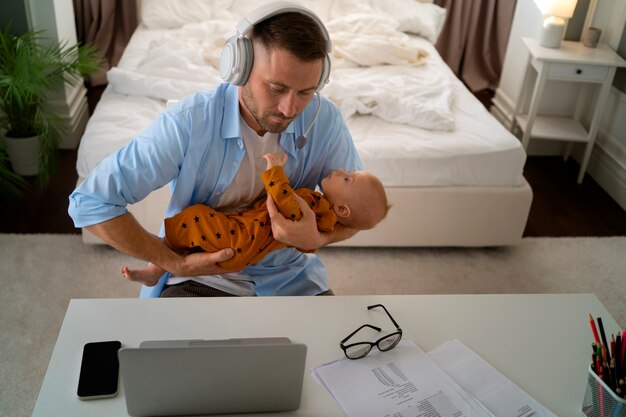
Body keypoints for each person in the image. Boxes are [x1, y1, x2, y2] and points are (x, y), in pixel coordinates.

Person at [68, 3, 365, 297]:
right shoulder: (187, 123)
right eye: (276, 88)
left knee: (332, 344)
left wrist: (317, 237)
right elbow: (90, 202)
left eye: (305, 92)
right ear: (240, 67)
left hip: (289, 276)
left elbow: (360, 211)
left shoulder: (324, 120)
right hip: (202, 275)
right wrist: (174, 262)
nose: (290, 109)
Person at [121, 152, 389, 286]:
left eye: (346, 178)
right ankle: (156, 270)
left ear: (343, 210)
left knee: (194, 218)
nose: (341, 169)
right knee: (195, 233)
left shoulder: (316, 207)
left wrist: (275, 171)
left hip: (240, 238)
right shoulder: (324, 216)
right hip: (243, 241)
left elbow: (286, 202)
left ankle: (156, 265)